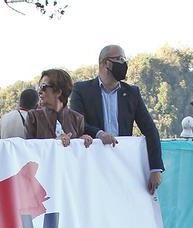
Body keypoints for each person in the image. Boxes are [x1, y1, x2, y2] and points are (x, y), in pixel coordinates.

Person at [70, 44, 164, 194]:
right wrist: (100, 134)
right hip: (91, 163)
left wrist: (155, 168)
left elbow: (150, 130)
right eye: (119, 59)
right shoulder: (81, 90)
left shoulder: (132, 92)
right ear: (105, 63)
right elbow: (76, 123)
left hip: (123, 164)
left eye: (124, 59)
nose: (124, 63)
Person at [26, 69, 93, 148]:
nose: (39, 91)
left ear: (58, 92)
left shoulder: (77, 119)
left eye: (43, 87)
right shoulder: (33, 117)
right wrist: (55, 143)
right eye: (39, 87)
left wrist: (81, 141)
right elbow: (29, 149)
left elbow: (79, 154)